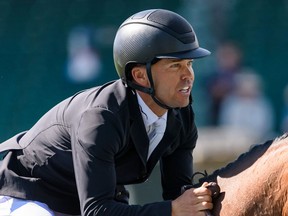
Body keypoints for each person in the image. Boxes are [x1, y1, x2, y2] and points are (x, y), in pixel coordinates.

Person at [0, 9, 214, 216]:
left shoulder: (181, 116)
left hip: (86, 200)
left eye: (190, 63)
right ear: (140, 76)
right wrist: (171, 210)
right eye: (175, 66)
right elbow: (96, 212)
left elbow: (179, 194)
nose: (188, 75)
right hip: (26, 193)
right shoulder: (101, 118)